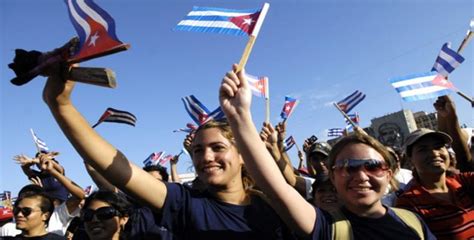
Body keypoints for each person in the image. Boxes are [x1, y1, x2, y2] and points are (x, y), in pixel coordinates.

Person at [40, 62, 294, 239]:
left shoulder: (276, 204)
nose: (206, 157)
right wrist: (61, 106)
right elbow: (119, 169)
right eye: (197, 150)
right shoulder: (185, 204)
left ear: (242, 156)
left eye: (217, 148)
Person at [218, 64, 435, 239]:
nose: (361, 175)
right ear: (332, 176)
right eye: (347, 167)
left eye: (373, 166)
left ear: (389, 173)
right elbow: (275, 187)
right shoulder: (326, 227)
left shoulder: (413, 222)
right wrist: (239, 116)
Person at [395, 128, 474, 239]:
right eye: (423, 149)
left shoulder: (463, 181)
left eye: (438, 147)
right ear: (410, 159)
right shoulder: (408, 203)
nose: (434, 153)